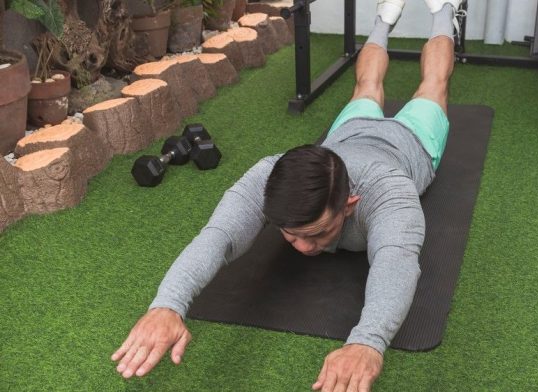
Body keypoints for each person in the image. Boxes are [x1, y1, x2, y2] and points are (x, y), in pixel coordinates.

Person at [112, 0, 462, 390]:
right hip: (349, 133)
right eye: (290, 233)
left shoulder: (390, 193)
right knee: (366, 85)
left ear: (349, 204)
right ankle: (385, 17)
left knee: (432, 86)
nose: (302, 246)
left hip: (412, 143)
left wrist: (368, 342)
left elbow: (395, 262)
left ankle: (442, 9)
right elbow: (219, 235)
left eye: (317, 233)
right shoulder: (267, 173)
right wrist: (167, 305)